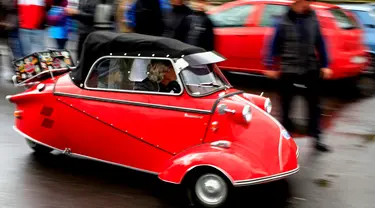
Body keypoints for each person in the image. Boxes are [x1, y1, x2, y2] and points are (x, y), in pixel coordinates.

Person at [264, 0, 332, 152]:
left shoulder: (313, 18)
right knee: (286, 105)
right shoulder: (282, 21)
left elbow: (320, 43)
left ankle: (317, 137)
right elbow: (273, 45)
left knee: (314, 105)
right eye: (302, 2)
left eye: (307, 2)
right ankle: (286, 139)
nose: (306, 5)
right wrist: (270, 65)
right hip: (289, 69)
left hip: (310, 68)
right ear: (294, 3)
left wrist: (326, 64)